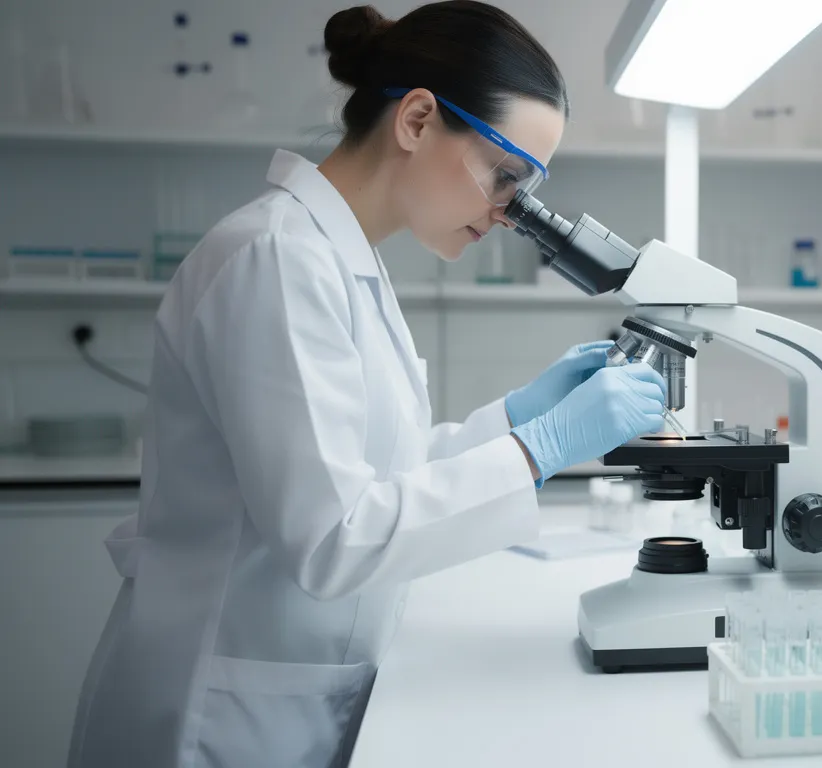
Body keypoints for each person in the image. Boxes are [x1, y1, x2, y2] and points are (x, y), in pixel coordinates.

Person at [66, 3, 667, 766]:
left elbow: (378, 473)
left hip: (285, 692)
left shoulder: (341, 260)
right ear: (417, 120)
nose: (513, 213)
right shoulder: (275, 260)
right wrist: (537, 450)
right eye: (506, 176)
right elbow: (334, 539)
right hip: (217, 717)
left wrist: (515, 419)